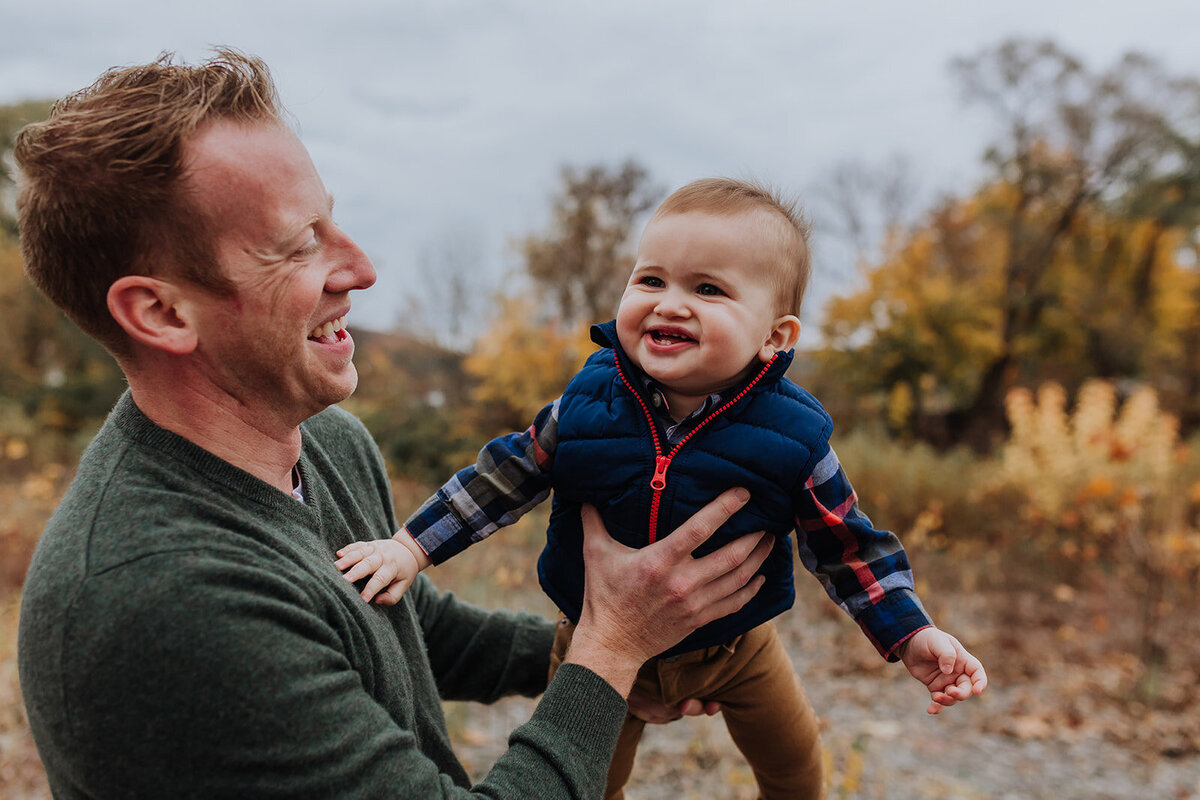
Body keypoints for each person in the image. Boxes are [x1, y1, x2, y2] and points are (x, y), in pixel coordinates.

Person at [14, 50, 778, 799]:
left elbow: (404, 624)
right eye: (299, 244)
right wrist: (610, 652)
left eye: (333, 222)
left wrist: (614, 648)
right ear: (162, 312)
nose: (362, 267)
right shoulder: (165, 604)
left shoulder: (327, 442)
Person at [337, 178, 989, 800]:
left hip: (738, 647)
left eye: (708, 288)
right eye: (650, 279)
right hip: (594, 639)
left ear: (775, 337)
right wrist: (408, 549)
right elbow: (502, 477)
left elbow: (849, 548)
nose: (669, 301)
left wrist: (911, 634)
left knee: (793, 762)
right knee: (589, 778)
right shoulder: (588, 404)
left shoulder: (794, 437)